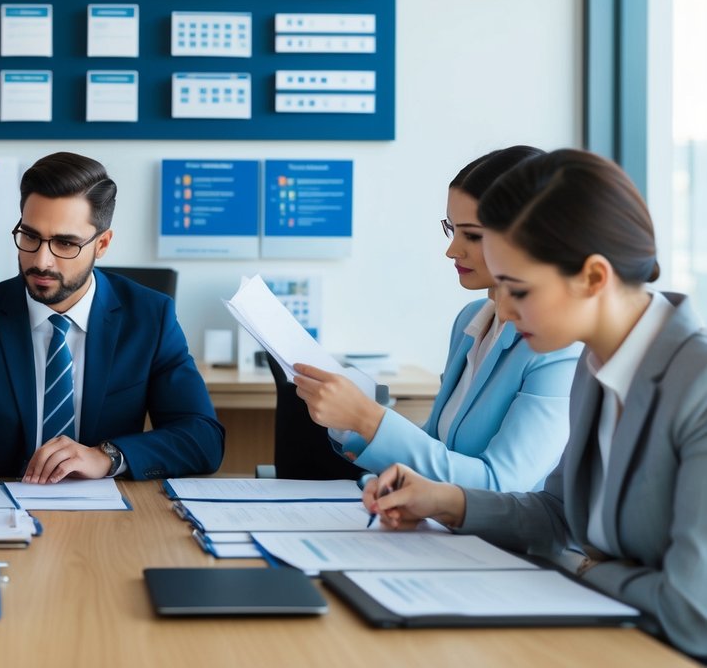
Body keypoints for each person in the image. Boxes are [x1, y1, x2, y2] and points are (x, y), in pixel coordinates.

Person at [364, 149, 707, 659]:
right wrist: (441, 501)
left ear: (593, 278)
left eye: (517, 289)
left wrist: (582, 568)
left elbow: (690, 611)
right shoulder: (599, 366)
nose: (502, 307)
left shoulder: (694, 387)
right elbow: (557, 515)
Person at [0, 152, 224, 497]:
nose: (41, 260)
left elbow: (202, 438)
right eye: (30, 236)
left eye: (65, 243)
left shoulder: (150, 317)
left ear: (103, 244)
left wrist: (107, 457)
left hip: (111, 518)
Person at [289, 147, 580, 491]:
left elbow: (502, 485)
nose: (452, 249)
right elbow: (435, 448)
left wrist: (368, 419)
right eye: (451, 229)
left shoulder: (560, 346)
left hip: (503, 543)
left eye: (471, 235)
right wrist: (353, 422)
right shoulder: (471, 321)